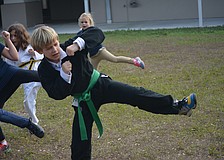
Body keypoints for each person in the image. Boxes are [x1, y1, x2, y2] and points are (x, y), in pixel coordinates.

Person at [31, 25, 197, 160]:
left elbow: (97, 33)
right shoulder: (45, 69)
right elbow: (55, 93)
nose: (54, 49)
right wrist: (64, 74)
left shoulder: (69, 47)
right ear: (39, 51)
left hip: (100, 84)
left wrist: (78, 44)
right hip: (83, 100)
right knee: (80, 140)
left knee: (136, 94)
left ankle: (178, 106)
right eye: (48, 48)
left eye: (54, 44)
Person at [0, 30, 44, 153]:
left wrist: (8, 39)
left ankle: (67, 79)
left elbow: (14, 57)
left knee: (39, 76)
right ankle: (5, 141)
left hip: (10, 73)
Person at [61, 12, 145, 70]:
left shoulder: (93, 30)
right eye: (82, 22)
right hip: (93, 56)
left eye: (86, 22)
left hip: (101, 51)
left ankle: (135, 61)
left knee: (115, 59)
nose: (84, 24)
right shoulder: (80, 33)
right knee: (93, 73)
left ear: (90, 22)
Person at [5, 23, 43, 124]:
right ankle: (34, 121)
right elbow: (9, 65)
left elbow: (43, 55)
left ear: (21, 35)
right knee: (28, 102)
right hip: (26, 79)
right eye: (11, 36)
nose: (13, 38)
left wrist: (34, 53)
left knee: (56, 88)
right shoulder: (11, 50)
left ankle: (34, 122)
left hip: (37, 74)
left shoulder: (29, 46)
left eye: (15, 36)